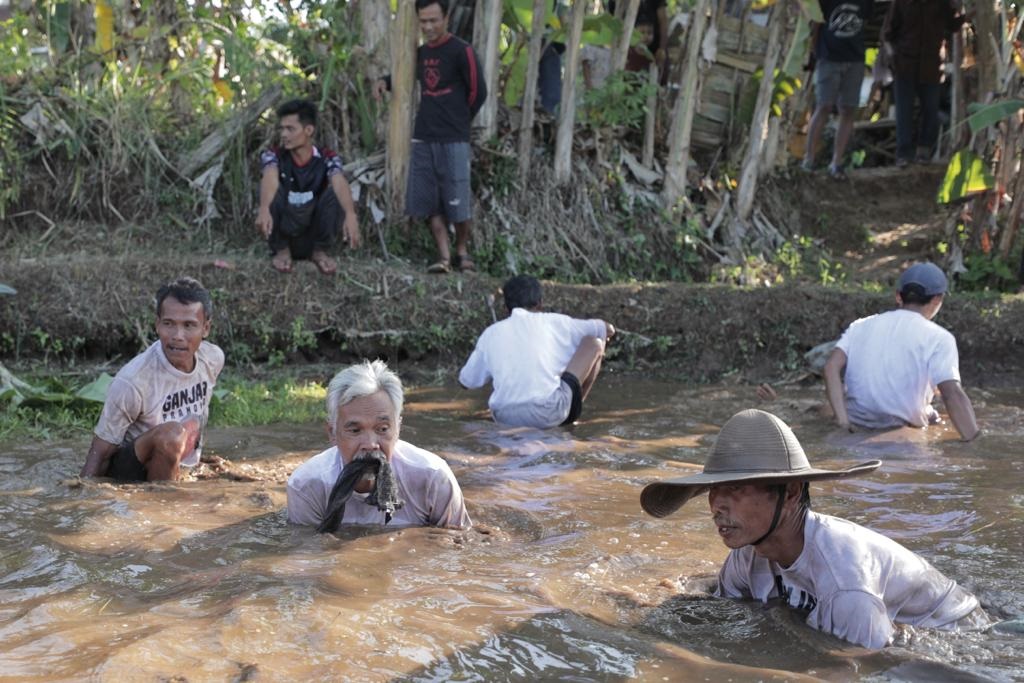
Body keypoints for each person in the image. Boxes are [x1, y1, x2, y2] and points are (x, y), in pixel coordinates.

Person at [640, 409, 988, 649]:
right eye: (714, 489)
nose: (717, 505)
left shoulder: (847, 588)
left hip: (960, 636)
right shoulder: (748, 553)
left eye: (736, 489)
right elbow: (725, 609)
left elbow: (866, 666)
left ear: (790, 492)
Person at [373, 0, 488, 274]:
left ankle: (462, 251)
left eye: (434, 20)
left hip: (454, 138)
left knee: (458, 198)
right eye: (423, 21)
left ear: (446, 17)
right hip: (423, 137)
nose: (428, 27)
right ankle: (444, 257)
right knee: (430, 200)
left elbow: (478, 92)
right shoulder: (421, 53)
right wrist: (383, 82)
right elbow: (403, 75)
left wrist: (460, 120)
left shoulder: (463, 51)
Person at [287, 360, 471, 530]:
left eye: (382, 429)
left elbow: (453, 549)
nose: (370, 445)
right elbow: (309, 552)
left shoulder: (433, 478)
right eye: (355, 430)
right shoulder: (307, 486)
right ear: (332, 433)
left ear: (397, 429)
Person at [80, 277, 225, 481]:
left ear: (206, 328)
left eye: (189, 325)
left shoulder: (212, 359)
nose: (178, 335)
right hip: (131, 472)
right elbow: (100, 452)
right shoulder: (133, 380)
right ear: (157, 325)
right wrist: (81, 496)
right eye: (169, 324)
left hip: (173, 460)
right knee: (172, 434)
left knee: (178, 435)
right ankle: (162, 500)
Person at [823, 262, 980, 440]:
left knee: (932, 415)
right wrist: (975, 440)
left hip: (856, 425)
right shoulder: (939, 338)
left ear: (899, 296)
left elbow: (831, 367)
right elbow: (952, 393)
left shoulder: (860, 326)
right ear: (937, 299)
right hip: (901, 434)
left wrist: (843, 422)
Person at [459, 274, 614, 429]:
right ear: (540, 304)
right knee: (594, 343)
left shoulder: (490, 333)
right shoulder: (556, 321)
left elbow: (466, 382)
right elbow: (608, 329)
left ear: (506, 308)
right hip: (547, 413)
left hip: (504, 416)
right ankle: (570, 415)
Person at [255, 99, 361, 275]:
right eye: (281, 129)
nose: (283, 134)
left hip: (313, 235)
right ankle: (281, 250)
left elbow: (338, 181)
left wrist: (350, 214)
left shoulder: (327, 157)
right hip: (284, 233)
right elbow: (270, 176)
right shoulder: (273, 155)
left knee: (336, 192)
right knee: (271, 189)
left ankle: (319, 252)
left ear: (308, 130)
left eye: (290, 129)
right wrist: (264, 208)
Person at [884, 0, 965, 166]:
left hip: (931, 65)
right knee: (903, 111)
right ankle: (903, 154)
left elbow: (952, 25)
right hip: (905, 64)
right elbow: (887, 34)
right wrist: (893, 56)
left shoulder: (941, 4)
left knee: (930, 108)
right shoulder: (901, 3)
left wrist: (962, 13)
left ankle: (924, 151)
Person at [802, 0, 873, 180]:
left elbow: (863, 22)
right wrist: (815, 50)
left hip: (855, 58)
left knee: (848, 109)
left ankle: (836, 162)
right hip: (829, 57)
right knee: (824, 105)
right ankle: (808, 159)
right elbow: (817, 22)